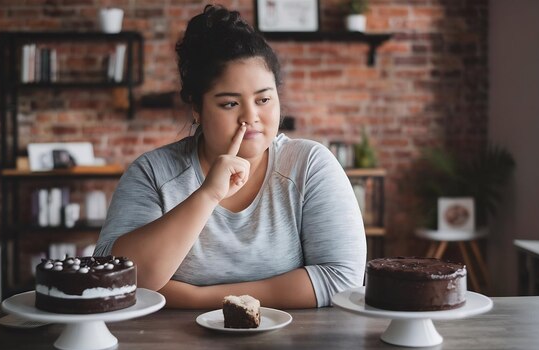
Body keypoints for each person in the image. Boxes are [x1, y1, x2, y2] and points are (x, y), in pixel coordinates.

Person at [94, 4, 366, 309]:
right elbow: (113, 276)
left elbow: (342, 278)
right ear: (196, 108)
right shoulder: (153, 173)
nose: (251, 117)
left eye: (263, 99)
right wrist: (207, 195)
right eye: (229, 104)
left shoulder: (309, 165)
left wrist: (199, 297)